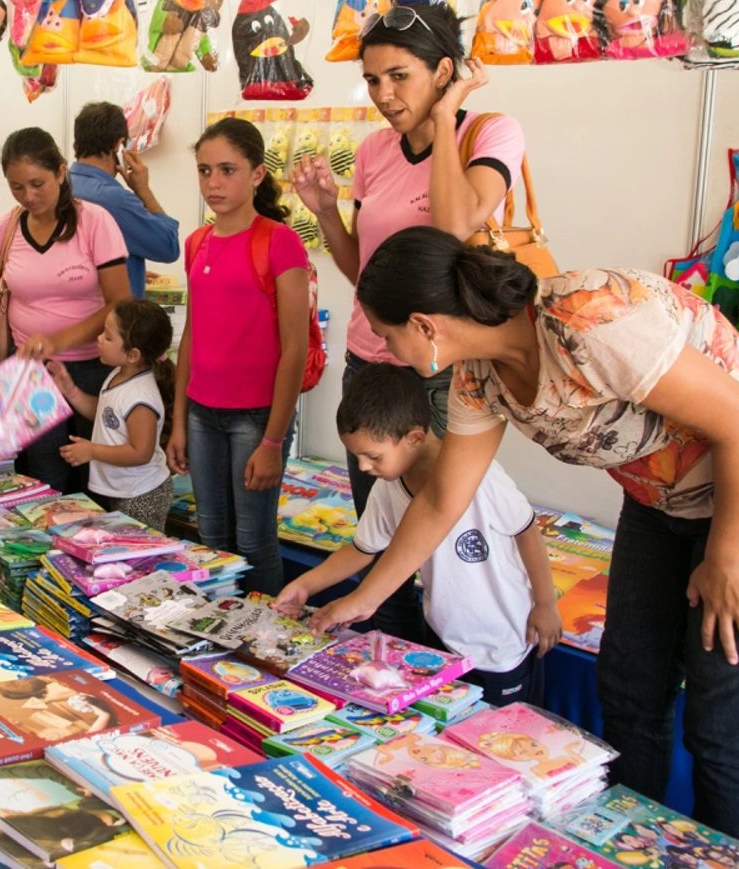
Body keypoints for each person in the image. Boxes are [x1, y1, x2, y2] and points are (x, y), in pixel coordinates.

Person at [311, 226, 739, 844]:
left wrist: (726, 558)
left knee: (721, 715)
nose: (384, 347)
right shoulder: (477, 376)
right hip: (661, 503)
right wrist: (366, 596)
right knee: (627, 691)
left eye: (386, 332)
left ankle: (723, 858)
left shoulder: (590, 320)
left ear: (426, 325)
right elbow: (439, 501)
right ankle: (631, 846)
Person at [290, 2, 524, 637]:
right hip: (372, 359)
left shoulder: (490, 133)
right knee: (376, 519)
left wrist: (446, 117)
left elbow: (453, 228)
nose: (383, 95)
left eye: (399, 77)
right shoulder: (372, 151)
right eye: (371, 80)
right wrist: (326, 213)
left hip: (443, 369)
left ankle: (441, 657)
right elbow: (369, 277)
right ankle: (378, 652)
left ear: (444, 70)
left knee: (446, 526)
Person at [275, 364, 561, 706]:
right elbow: (361, 550)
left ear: (414, 437)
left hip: (503, 645)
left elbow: (527, 532)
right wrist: (306, 585)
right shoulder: (389, 488)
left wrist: (545, 604)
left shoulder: (481, 479)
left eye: (373, 455)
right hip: (445, 639)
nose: (364, 466)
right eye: (357, 456)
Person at [167, 117, 307, 596]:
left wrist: (272, 441)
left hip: (256, 417)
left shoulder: (279, 241)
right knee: (211, 538)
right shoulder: (197, 243)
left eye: (227, 170)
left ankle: (265, 643)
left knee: (253, 541)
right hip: (203, 414)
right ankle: (220, 642)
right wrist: (180, 420)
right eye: (205, 171)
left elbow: (295, 349)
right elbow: (191, 337)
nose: (214, 183)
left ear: (256, 174)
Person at [0, 127, 134, 494]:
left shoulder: (95, 222)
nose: (29, 196)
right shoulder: (5, 228)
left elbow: (120, 302)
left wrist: (56, 341)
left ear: (60, 171)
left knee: (94, 482)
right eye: (17, 187)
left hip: (93, 370)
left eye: (37, 183)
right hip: (28, 376)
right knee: (41, 481)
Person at [49, 299, 175, 530]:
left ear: (133, 355)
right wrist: (70, 390)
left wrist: (92, 451)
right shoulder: (119, 374)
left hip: (142, 495)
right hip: (125, 491)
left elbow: (141, 453)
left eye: (108, 337)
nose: (99, 339)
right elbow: (105, 414)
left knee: (139, 555)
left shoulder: (140, 397)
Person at [69, 102, 180, 298]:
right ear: (118, 145)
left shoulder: (61, 187)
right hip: (110, 321)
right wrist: (143, 190)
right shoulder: (114, 199)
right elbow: (168, 247)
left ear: (76, 144)